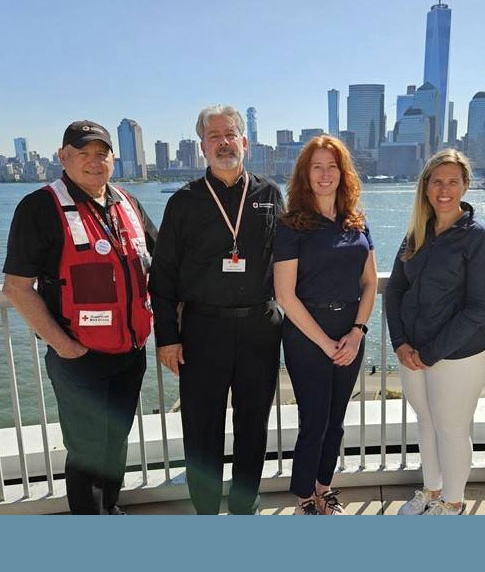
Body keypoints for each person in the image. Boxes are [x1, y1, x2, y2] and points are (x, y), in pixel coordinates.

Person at [2, 120, 157, 515]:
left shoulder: (128, 204)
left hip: (129, 352)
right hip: (79, 357)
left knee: (116, 440)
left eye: (101, 154)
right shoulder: (39, 208)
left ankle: (111, 510)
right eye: (82, 154)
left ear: (112, 159)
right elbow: (17, 288)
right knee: (86, 449)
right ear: (63, 157)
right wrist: (63, 345)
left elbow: (162, 264)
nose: (93, 162)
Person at [149, 104, 283, 515]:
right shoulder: (185, 202)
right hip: (202, 331)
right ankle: (205, 509)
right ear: (203, 148)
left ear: (244, 142)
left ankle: (246, 506)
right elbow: (163, 277)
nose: (224, 143)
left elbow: (291, 261)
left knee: (253, 424)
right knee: (202, 428)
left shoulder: (269, 194)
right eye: (214, 137)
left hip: (260, 326)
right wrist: (167, 339)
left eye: (230, 135)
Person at [385, 149, 485, 516]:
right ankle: (432, 493)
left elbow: (481, 308)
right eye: (437, 181)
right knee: (426, 421)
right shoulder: (416, 233)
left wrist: (430, 352)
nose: (445, 189)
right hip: (413, 351)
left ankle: (453, 504)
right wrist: (400, 343)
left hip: (459, 354)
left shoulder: (480, 238)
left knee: (450, 428)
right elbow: (396, 290)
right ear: (426, 187)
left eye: (453, 181)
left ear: (465, 185)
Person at [273, 136, 377, 515]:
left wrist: (357, 332)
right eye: (316, 166)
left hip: (350, 332)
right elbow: (285, 295)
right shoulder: (291, 226)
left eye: (332, 166)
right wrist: (324, 342)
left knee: (336, 421)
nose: (325, 174)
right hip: (306, 335)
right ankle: (304, 495)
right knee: (314, 420)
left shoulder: (357, 221)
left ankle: (324, 487)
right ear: (305, 174)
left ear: (343, 173)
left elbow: (369, 283)